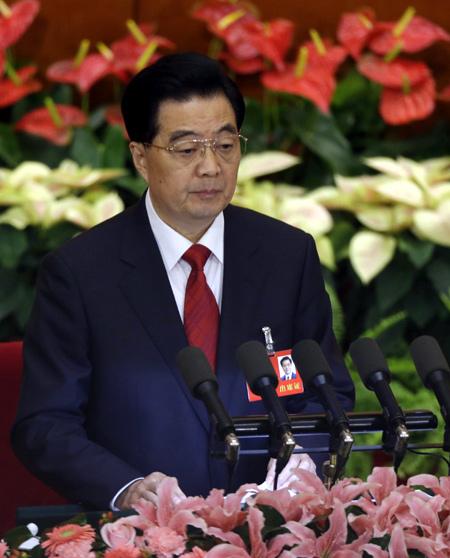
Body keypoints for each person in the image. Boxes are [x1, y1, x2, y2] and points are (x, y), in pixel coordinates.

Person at [11, 52, 354, 511]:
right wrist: (125, 488)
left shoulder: (286, 256)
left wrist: (294, 480)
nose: (210, 167)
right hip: (136, 534)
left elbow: (325, 394)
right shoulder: (80, 273)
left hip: (270, 529)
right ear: (140, 156)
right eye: (187, 149)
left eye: (226, 146)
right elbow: (45, 424)